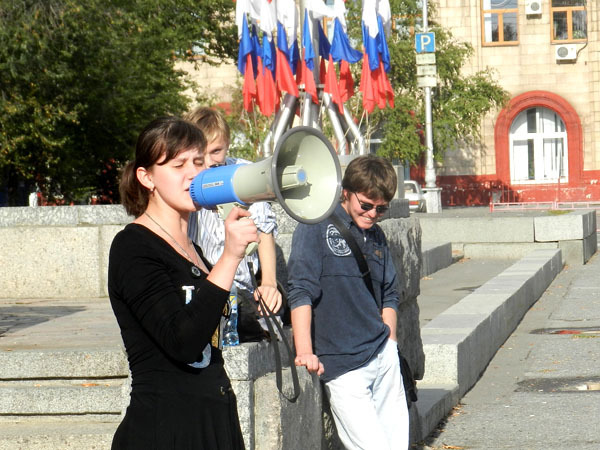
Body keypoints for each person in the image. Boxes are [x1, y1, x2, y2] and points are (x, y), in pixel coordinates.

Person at [108, 116, 257, 449]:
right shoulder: (133, 247)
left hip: (214, 422)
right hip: (166, 429)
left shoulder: (195, 251)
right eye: (178, 165)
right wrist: (230, 257)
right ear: (146, 177)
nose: (193, 173)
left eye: (199, 162)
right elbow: (182, 341)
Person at [287, 155, 409, 449]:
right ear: (345, 192)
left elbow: (389, 292)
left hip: (382, 353)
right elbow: (301, 289)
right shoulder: (315, 226)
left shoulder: (377, 236)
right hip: (343, 364)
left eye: (381, 209)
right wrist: (305, 351)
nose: (372, 214)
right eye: (365, 205)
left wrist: (390, 343)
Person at [184, 106, 282, 332]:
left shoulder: (244, 172)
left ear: (227, 144)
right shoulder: (187, 179)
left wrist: (269, 283)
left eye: (216, 151)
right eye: (201, 154)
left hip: (244, 286)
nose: (210, 161)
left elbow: (264, 229)